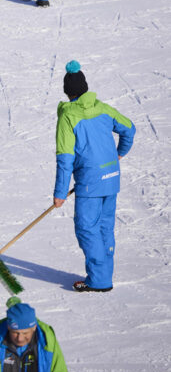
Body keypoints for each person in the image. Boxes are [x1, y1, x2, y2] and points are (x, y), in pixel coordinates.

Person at [54, 60, 136, 293]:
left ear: (67, 92)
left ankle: (99, 280)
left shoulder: (68, 116)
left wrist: (60, 193)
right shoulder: (102, 108)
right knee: (104, 227)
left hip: (90, 183)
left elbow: (65, 158)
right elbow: (129, 128)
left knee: (87, 228)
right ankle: (103, 274)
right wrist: (119, 154)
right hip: (111, 177)